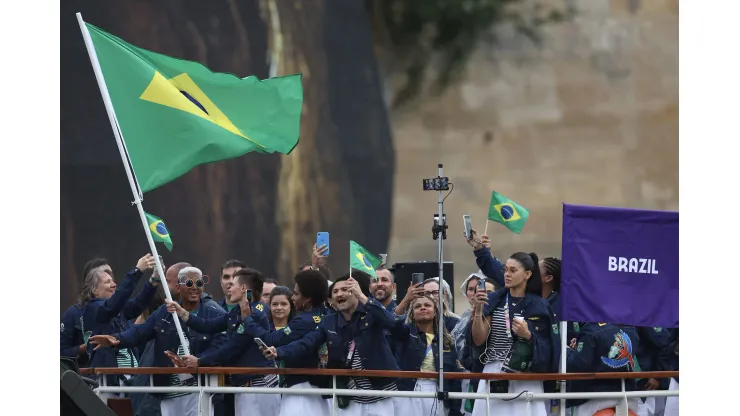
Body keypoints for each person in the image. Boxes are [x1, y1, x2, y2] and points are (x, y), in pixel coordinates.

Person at [90, 266, 227, 416]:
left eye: (199, 283)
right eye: (189, 284)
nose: (194, 288)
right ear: (178, 287)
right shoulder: (165, 312)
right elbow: (140, 332)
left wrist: (199, 361)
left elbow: (221, 348)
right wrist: (115, 339)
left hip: (199, 392)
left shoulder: (213, 313)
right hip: (168, 392)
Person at [263, 272, 400, 416]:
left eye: (345, 290)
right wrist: (278, 352)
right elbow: (307, 342)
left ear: (356, 292)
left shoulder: (372, 314)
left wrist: (365, 298)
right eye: (335, 291)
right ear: (331, 300)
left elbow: (396, 326)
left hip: (381, 396)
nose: (339, 294)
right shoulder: (329, 322)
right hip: (349, 399)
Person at [168, 268, 279, 416]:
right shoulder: (236, 312)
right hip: (243, 385)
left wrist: (200, 361)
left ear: (244, 288)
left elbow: (232, 348)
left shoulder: (256, 314)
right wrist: (181, 311)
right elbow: (207, 325)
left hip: (260, 385)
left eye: (233, 284)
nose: (229, 288)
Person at [466, 252, 559, 416]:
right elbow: (478, 340)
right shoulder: (494, 300)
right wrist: (478, 310)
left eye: (513, 270)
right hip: (493, 370)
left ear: (527, 274)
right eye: (505, 270)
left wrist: (529, 335)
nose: (507, 274)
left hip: (525, 375)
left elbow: (550, 346)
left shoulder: (540, 305)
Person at [246, 270, 330, 416]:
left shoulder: (303, 320)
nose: (292, 297)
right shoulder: (326, 315)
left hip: (300, 392)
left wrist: (247, 320)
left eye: (296, 294)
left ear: (308, 298)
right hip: (318, 392)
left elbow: (272, 340)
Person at [80, 254, 158, 390]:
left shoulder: (115, 307)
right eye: (107, 282)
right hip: (108, 382)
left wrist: (153, 281)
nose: (114, 285)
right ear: (94, 290)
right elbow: (114, 304)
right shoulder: (93, 308)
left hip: (131, 378)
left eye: (113, 281)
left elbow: (138, 305)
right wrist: (137, 271)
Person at [389, 295, 463, 416]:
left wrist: (455, 409)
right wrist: (407, 298)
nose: (423, 308)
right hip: (407, 391)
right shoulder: (405, 334)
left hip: (437, 390)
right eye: (418, 306)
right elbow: (393, 324)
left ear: (435, 312)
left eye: (427, 305)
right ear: (412, 313)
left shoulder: (446, 341)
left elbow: (454, 376)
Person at [564, 323, 642, 416]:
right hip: (627, 392)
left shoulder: (591, 329)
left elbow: (577, 364)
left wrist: (567, 351)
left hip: (594, 395)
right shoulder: (630, 327)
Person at [451, 271, 497, 415]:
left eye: (487, 292)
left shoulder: (499, 315)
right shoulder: (465, 315)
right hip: (466, 373)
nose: (478, 295)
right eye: (472, 290)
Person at [61, 258, 112, 366]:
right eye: (105, 278)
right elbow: (61, 352)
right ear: (92, 286)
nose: (112, 282)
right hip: (87, 378)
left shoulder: (120, 311)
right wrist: (85, 347)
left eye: (111, 276)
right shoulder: (73, 313)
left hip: (121, 377)